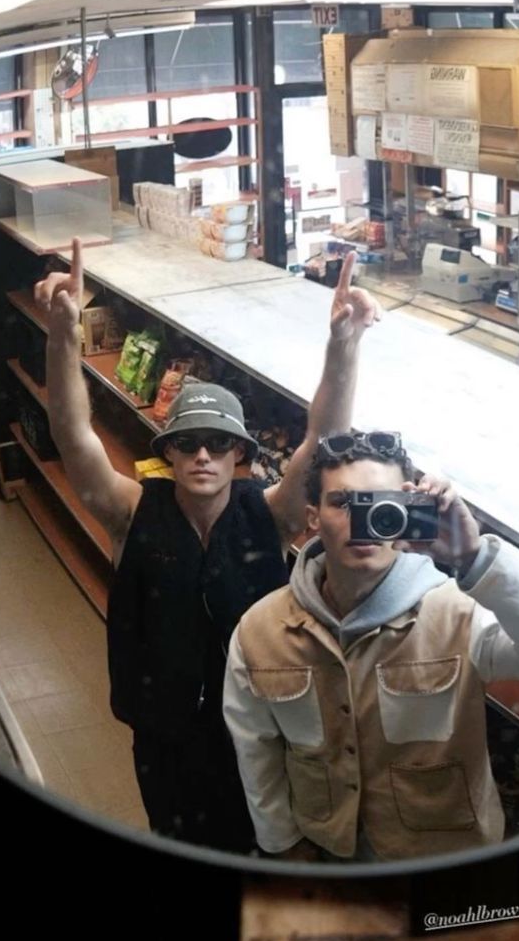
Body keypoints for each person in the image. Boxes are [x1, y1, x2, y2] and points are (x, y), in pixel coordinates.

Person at [35, 241, 380, 852]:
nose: (202, 454)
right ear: (166, 450)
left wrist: (344, 344)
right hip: (162, 730)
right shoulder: (132, 511)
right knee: (177, 840)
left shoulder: (270, 515)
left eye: (218, 444)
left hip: (260, 725)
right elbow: (72, 433)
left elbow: (325, 437)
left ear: (240, 455)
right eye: (188, 441)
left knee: (265, 839)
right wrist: (62, 336)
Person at [223, 431, 519, 862]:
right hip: (327, 849)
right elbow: (257, 750)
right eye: (344, 503)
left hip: (443, 856)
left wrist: (472, 555)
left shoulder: (458, 614)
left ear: (408, 515)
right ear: (313, 518)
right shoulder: (260, 632)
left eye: (383, 504)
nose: (363, 520)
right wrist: (283, 842)